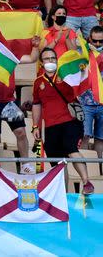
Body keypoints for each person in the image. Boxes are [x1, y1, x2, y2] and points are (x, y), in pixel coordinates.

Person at [32, 47, 94, 194]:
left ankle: (86, 182)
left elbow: (83, 77)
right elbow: (36, 104)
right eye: (47, 59)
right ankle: (63, 195)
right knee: (58, 164)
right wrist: (35, 126)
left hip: (70, 122)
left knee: (70, 148)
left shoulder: (67, 75)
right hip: (51, 126)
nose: (50, 61)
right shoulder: (37, 82)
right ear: (41, 63)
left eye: (53, 58)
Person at [0, 35, 40, 164]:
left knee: (21, 132)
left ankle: (25, 165)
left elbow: (32, 58)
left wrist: (36, 46)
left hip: (9, 103)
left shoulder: (9, 57)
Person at [82, 26, 103, 158]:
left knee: (100, 139)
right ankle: (80, 170)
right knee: (84, 136)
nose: (97, 44)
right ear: (89, 38)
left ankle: (100, 171)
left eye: (101, 41)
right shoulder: (82, 53)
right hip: (86, 102)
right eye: (94, 41)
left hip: (102, 103)